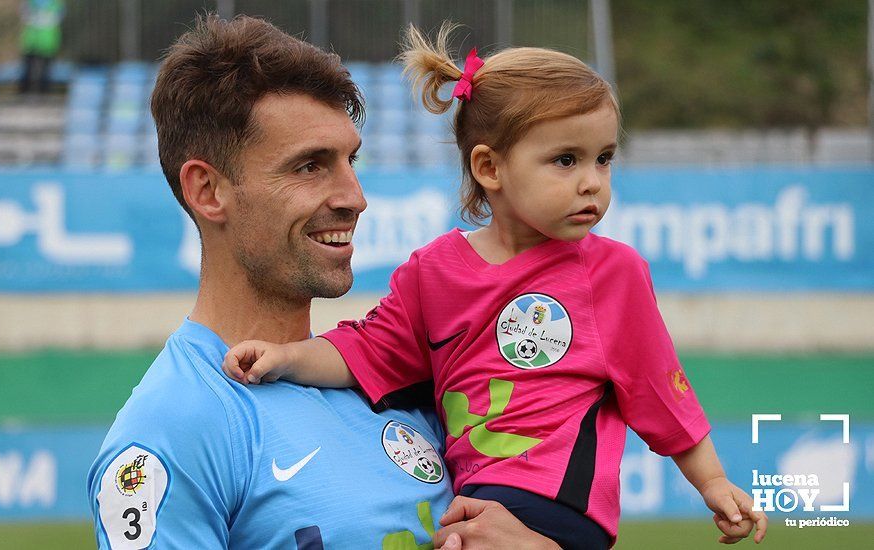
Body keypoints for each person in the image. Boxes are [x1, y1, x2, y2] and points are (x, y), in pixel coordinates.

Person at [223, 23, 769, 549]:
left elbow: (655, 385)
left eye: (604, 159)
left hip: (560, 506)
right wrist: (286, 356)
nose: (592, 182)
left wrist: (713, 483)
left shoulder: (613, 271)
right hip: (472, 501)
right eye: (565, 160)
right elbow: (370, 351)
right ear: (489, 167)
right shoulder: (431, 271)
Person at [86, 15, 555, 550]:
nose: (354, 196)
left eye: (349, 160)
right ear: (208, 191)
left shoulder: (402, 375)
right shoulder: (174, 429)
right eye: (310, 166)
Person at [18, 0, 65, 94]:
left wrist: (38, 18)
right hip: (31, 42)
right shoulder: (29, 2)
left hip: (48, 42)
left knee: (46, 72)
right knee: (27, 70)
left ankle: (43, 94)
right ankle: (25, 94)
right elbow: (24, 16)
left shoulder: (56, 3)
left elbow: (57, 18)